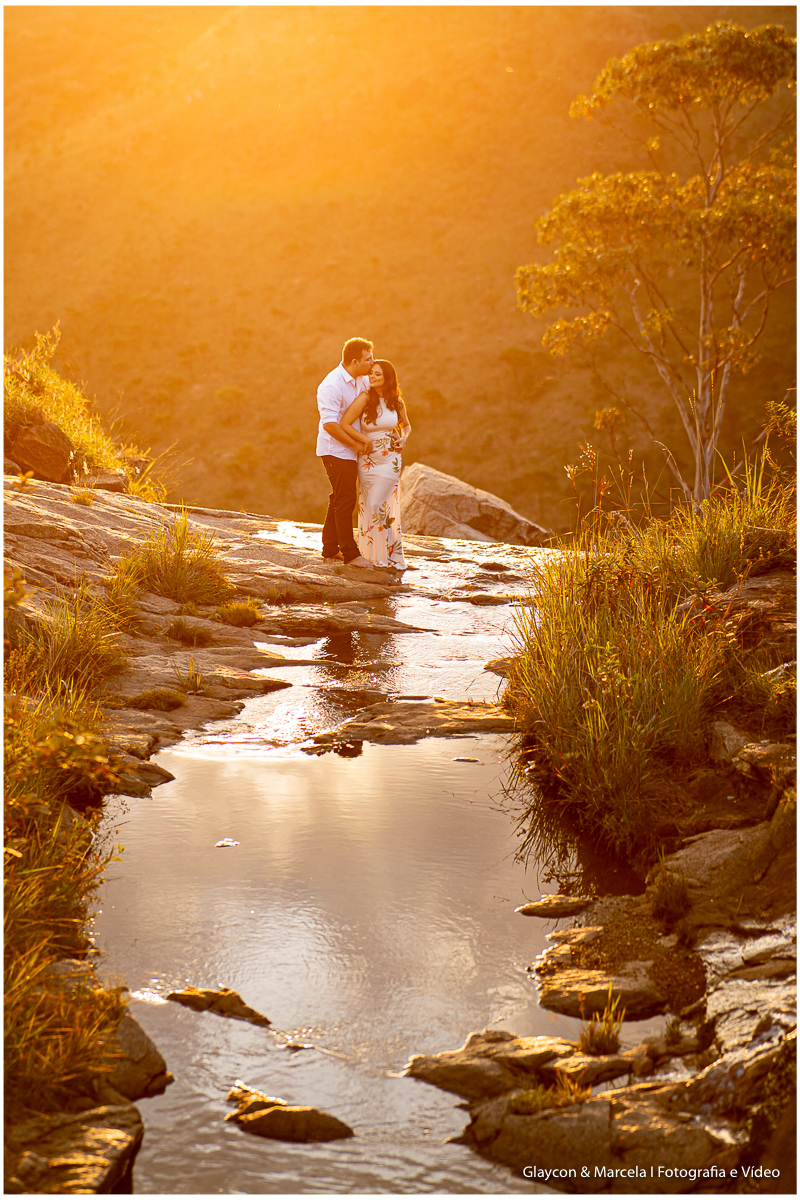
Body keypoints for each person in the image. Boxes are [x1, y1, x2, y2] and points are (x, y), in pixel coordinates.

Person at [339, 359, 411, 569]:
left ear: (387, 377)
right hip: (368, 461)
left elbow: (406, 426)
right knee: (369, 506)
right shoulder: (365, 398)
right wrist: (364, 439)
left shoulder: (396, 401)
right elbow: (344, 423)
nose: (372, 377)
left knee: (377, 504)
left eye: (377, 374)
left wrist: (404, 438)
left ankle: (390, 554)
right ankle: (375, 555)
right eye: (371, 373)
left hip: (390, 459)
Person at [315, 337, 377, 568]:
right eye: (368, 359)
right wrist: (357, 446)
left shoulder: (362, 379)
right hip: (335, 450)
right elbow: (330, 425)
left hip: (351, 449)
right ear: (354, 362)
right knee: (346, 499)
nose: (372, 362)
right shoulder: (332, 385)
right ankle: (350, 554)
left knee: (339, 498)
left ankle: (330, 548)